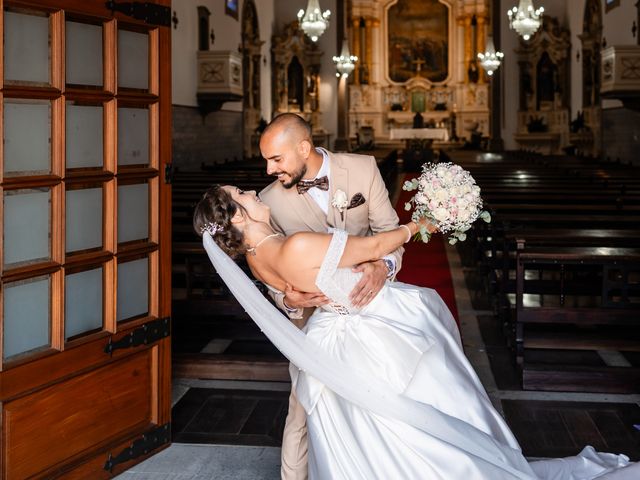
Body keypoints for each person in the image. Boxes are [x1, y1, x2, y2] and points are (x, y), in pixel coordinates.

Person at [193, 185, 638, 480]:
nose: (252, 191)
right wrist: (420, 223)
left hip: (330, 343)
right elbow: (374, 246)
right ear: (234, 218)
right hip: (371, 334)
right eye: (241, 194)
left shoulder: (255, 258)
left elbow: (298, 290)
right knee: (424, 413)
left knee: (366, 428)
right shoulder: (294, 245)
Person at [258, 113, 403, 479]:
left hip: (372, 313)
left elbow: (389, 231)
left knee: (379, 403)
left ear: (304, 148)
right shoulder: (267, 202)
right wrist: (290, 301)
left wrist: (382, 267)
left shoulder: (363, 168)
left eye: (276, 159)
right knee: (302, 411)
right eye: (266, 160)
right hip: (315, 326)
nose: (268, 169)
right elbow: (270, 274)